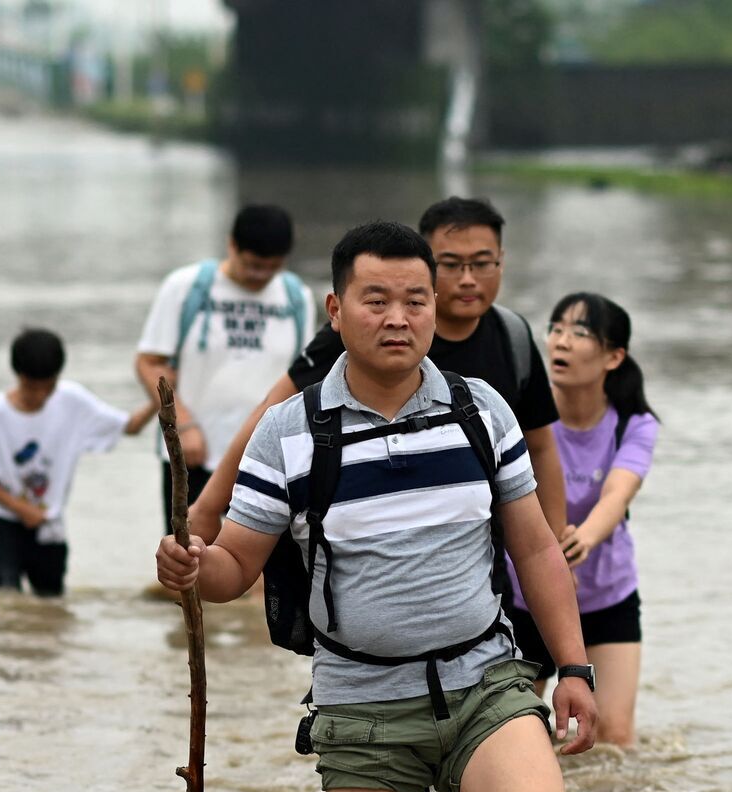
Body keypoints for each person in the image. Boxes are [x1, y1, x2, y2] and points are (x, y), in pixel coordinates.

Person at [155, 222, 599, 792]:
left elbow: (535, 547)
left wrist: (574, 666)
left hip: (484, 681)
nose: (398, 318)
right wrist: (192, 569)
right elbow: (235, 565)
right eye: (376, 301)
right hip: (362, 704)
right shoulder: (288, 434)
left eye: (414, 301)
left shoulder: (480, 410)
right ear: (335, 310)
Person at [184, 197, 568, 545]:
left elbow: (541, 446)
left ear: (501, 260)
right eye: (450, 264)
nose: (468, 279)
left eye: (482, 263)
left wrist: (555, 549)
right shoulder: (362, 331)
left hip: (479, 549)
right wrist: (206, 507)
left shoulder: (513, 336)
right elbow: (272, 412)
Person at [504, 292, 658, 748]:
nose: (561, 342)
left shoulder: (635, 423)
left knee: (613, 738)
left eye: (579, 333)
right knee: (522, 739)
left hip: (607, 598)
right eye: (556, 329)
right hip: (525, 598)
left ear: (614, 356)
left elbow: (619, 491)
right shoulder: (522, 417)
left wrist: (581, 540)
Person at [135, 204, 311, 533]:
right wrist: (184, 426)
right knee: (191, 567)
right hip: (193, 455)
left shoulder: (295, 297)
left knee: (264, 576)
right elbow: (150, 362)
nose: (261, 276)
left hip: (266, 459)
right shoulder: (186, 287)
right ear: (232, 246)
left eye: (272, 267)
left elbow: (301, 377)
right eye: (253, 265)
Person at [0, 328, 155, 597]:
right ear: (18, 376)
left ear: (57, 379)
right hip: (3, 518)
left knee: (51, 599)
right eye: (32, 388)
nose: (40, 396)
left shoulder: (72, 401)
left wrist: (160, 398)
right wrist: (22, 510)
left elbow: (130, 427)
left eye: (48, 388)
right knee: (4, 593)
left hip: (49, 523)